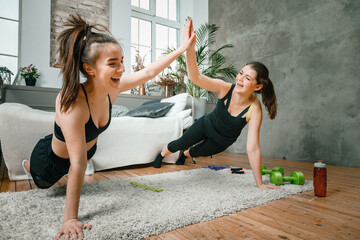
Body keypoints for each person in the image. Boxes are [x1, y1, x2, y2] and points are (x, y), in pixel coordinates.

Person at [21, 14, 195, 240]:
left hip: (83, 152)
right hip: (51, 162)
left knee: (79, 162)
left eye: (122, 61)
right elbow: (77, 162)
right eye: (113, 64)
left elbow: (148, 73)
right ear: (89, 68)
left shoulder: (112, 88)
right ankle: (26, 165)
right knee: (44, 183)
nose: (122, 69)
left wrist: (182, 48)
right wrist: (70, 219)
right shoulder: (73, 103)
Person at [153, 18, 280, 190]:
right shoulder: (225, 88)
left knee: (196, 152)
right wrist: (189, 47)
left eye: (247, 78)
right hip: (206, 125)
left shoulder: (254, 109)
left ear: (258, 86)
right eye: (241, 73)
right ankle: (161, 155)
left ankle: (186, 155)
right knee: (180, 143)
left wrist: (260, 184)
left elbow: (253, 148)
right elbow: (195, 77)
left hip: (222, 141)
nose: (240, 79)